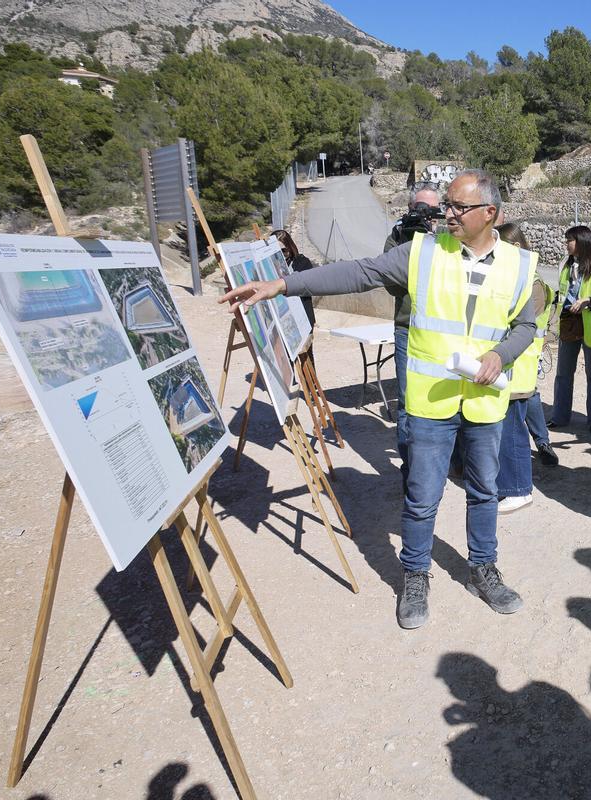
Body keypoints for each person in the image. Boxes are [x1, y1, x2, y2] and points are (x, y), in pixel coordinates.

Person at [219, 170, 538, 630]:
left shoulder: (519, 264)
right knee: (422, 496)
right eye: (447, 204)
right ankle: (414, 575)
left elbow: (525, 326)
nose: (446, 213)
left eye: (457, 207)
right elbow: (359, 272)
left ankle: (483, 569)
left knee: (484, 492)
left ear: (490, 213)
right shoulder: (422, 252)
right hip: (431, 403)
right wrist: (281, 285)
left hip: (484, 403)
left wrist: (500, 354)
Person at [383, 182, 443, 484]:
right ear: (409, 208)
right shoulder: (396, 239)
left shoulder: (446, 237)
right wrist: (412, 245)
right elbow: (391, 284)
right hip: (408, 328)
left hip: (442, 330)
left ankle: (444, 462)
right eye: (421, 208)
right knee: (407, 402)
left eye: (432, 209)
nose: (427, 215)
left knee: (443, 399)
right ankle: (411, 473)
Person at [494, 222, 555, 513]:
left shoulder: (531, 283)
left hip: (520, 367)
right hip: (510, 364)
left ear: (516, 248)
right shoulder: (517, 277)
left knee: (513, 431)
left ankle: (518, 489)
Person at [549, 225, 591, 434]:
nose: (566, 244)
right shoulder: (565, 265)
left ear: (581, 242)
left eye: (570, 240)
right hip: (570, 323)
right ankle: (559, 418)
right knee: (563, 373)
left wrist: (588, 301)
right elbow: (561, 294)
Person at [271, 229, 316, 326]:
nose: (279, 254)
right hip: (281, 318)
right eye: (275, 251)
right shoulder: (270, 264)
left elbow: (304, 287)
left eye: (283, 250)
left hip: (302, 318)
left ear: (290, 247)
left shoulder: (303, 262)